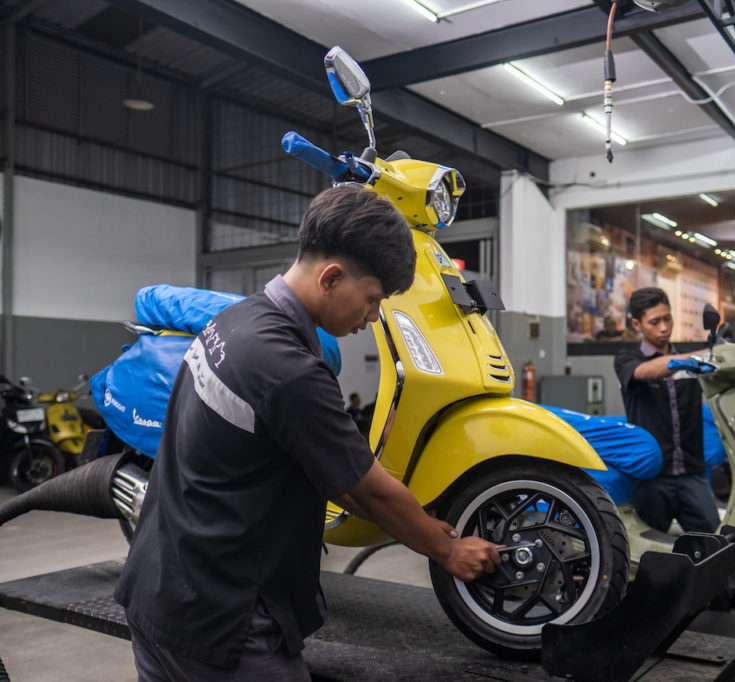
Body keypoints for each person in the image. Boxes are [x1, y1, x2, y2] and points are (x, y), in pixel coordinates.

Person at [114, 184, 502, 681]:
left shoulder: (235, 321)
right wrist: (447, 549)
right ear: (331, 277)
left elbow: (335, 475)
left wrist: (420, 524)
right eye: (372, 299)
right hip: (222, 620)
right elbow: (366, 489)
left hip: (157, 589)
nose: (373, 316)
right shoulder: (288, 368)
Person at [613, 287, 720, 535]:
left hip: (692, 474)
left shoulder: (690, 360)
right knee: (649, 550)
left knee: (715, 542)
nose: (664, 327)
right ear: (637, 324)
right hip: (651, 477)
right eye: (655, 322)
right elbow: (645, 371)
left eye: (667, 319)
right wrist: (699, 357)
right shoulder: (627, 359)